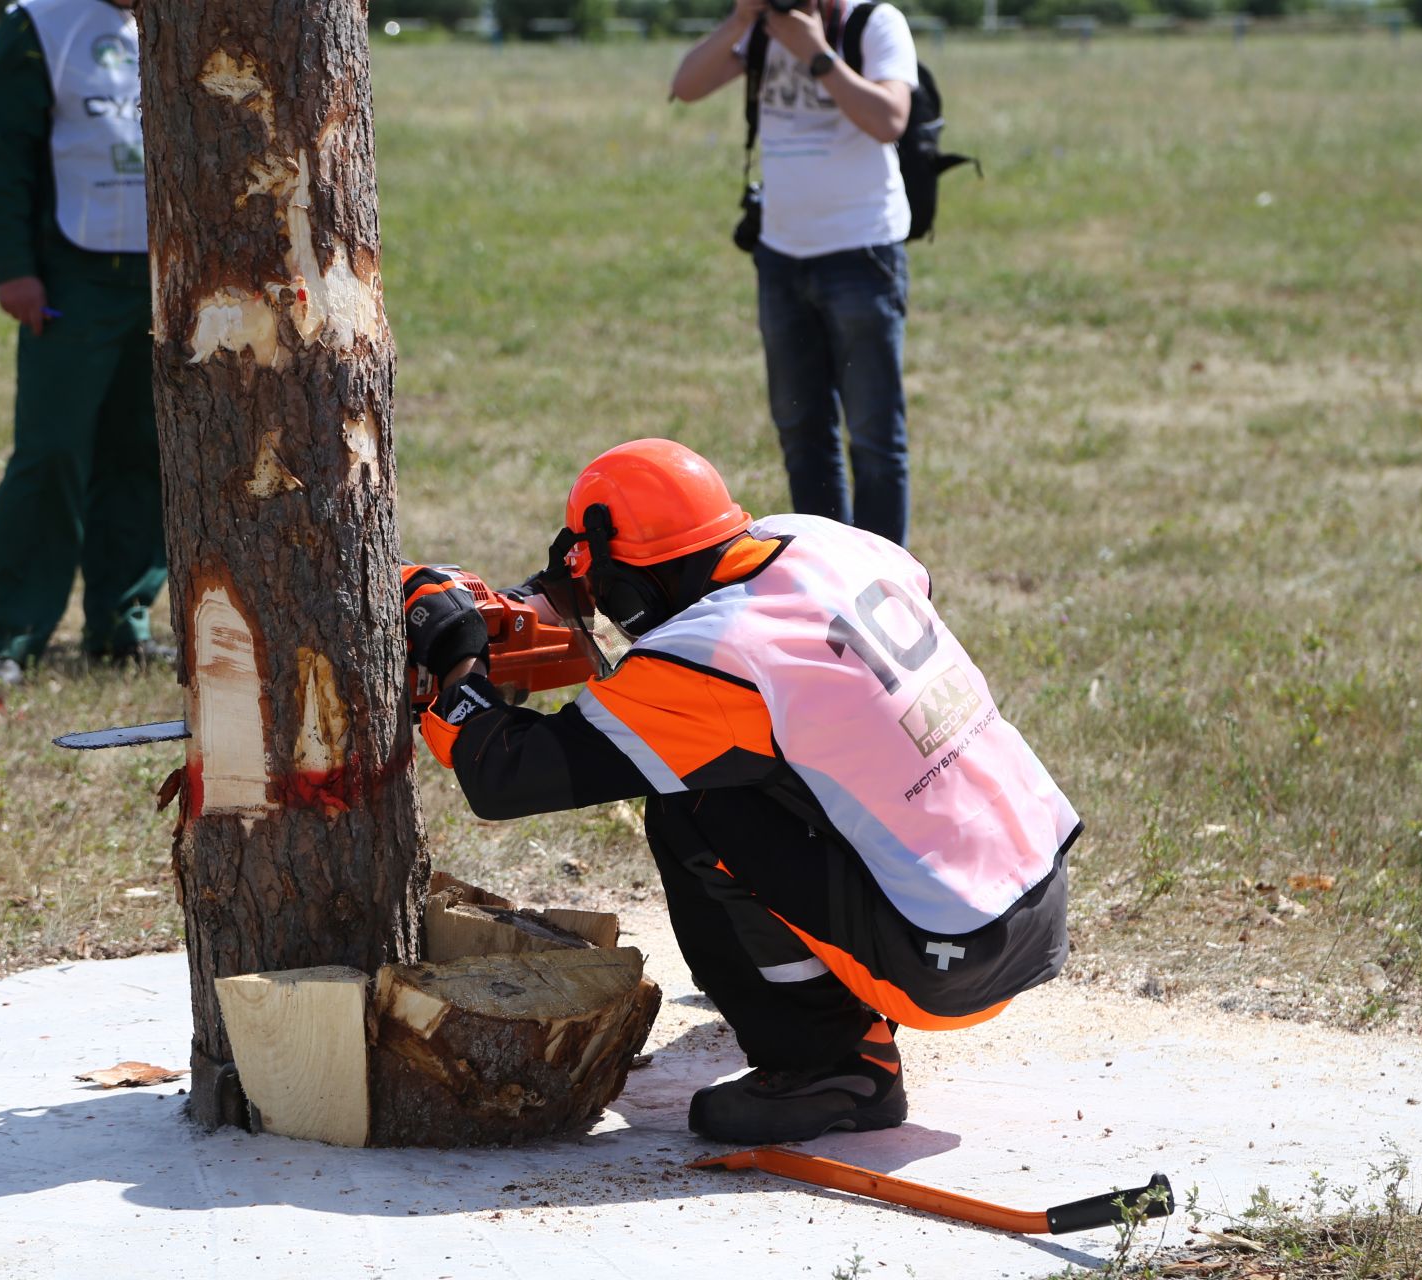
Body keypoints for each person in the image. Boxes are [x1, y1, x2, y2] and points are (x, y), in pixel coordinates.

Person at [401, 439, 1079, 1144]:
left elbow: (502, 774)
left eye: (607, 591)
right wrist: (549, 594)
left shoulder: (710, 652)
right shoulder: (824, 541)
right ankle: (838, 996)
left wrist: (457, 658)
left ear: (631, 588)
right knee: (789, 781)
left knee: (694, 806)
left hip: (950, 957)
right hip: (1031, 900)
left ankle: (833, 1065)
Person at [0, 0, 168, 687]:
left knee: (146, 451)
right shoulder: (38, 24)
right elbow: (0, 154)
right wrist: (13, 267)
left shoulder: (188, 19)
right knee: (51, 452)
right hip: (71, 275)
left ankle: (121, 622)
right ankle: (10, 636)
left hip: (169, 274)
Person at [670, 0, 920, 547]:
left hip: (862, 253)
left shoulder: (871, 22)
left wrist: (817, 53)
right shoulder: (760, 30)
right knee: (803, 432)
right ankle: (828, 575)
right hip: (781, 257)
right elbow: (684, 86)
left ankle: (886, 584)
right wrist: (740, 22)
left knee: (876, 436)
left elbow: (889, 119)